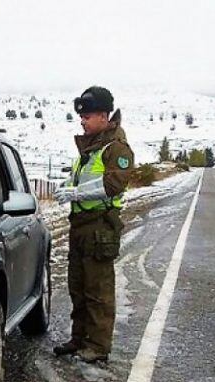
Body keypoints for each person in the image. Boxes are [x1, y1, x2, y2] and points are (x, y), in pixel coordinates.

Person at [53, 86, 134, 363]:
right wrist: (66, 187)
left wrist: (76, 194)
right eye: (82, 117)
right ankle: (79, 339)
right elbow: (80, 179)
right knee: (78, 286)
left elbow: (113, 184)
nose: (83, 121)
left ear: (103, 115)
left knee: (98, 290)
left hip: (100, 226)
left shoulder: (116, 148)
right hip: (80, 225)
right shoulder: (89, 148)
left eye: (87, 116)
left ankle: (98, 346)